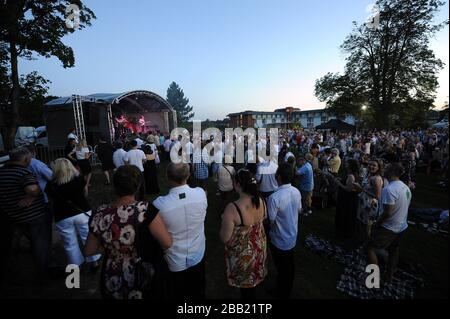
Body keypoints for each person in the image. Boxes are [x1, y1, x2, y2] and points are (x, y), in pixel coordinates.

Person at [85, 165, 172, 299]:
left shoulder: (100, 213)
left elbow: (89, 250)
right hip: (142, 275)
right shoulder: (145, 210)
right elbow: (167, 242)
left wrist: (112, 244)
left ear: (115, 186)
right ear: (138, 186)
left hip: (112, 275)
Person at [153, 163, 207, 299]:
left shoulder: (159, 204)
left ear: (167, 177)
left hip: (175, 258)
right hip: (196, 252)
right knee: (197, 290)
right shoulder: (201, 194)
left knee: (179, 292)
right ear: (188, 175)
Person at [0, 147, 51, 282]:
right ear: (26, 159)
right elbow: (33, 189)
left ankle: (11, 272)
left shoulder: (2, 172)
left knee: (16, 244)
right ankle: (45, 272)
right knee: (40, 244)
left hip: (12, 215)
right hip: (34, 216)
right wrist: (35, 194)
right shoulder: (23, 172)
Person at [220, 169, 267, 299]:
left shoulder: (232, 208)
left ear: (238, 184)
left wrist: (224, 220)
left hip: (244, 255)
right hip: (258, 249)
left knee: (246, 289)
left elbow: (225, 238)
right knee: (253, 282)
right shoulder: (261, 201)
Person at [45, 158, 101, 269]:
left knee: (69, 243)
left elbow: (51, 200)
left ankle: (76, 267)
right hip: (82, 212)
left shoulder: (50, 186)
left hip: (62, 215)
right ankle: (94, 262)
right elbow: (84, 194)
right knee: (88, 237)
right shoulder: (79, 180)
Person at [367, 163, 412, 282]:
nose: (384, 170)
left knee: (370, 249)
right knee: (393, 251)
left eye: (386, 168)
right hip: (402, 226)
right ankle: (389, 276)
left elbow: (388, 213)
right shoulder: (405, 187)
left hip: (389, 228)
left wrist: (377, 224)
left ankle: (373, 280)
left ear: (391, 172)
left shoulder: (389, 189)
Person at [267, 163, 302, 299]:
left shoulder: (274, 197)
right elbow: (299, 210)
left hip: (279, 239)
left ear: (279, 177)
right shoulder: (296, 191)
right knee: (288, 266)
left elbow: (271, 220)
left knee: (283, 268)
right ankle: (284, 287)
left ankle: (282, 291)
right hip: (292, 234)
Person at [354, 159, 384, 243]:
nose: (371, 166)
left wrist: (361, 189)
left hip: (370, 205)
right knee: (361, 223)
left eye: (374, 165)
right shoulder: (369, 175)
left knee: (367, 226)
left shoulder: (376, 179)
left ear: (378, 168)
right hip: (363, 203)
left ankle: (368, 245)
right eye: (370, 164)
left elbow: (378, 196)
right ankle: (362, 242)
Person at [334, 159, 360, 239]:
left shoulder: (351, 176)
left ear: (351, 165)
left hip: (347, 198)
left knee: (345, 213)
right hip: (348, 198)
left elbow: (348, 189)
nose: (345, 163)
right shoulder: (351, 174)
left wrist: (338, 183)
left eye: (347, 163)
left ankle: (344, 231)